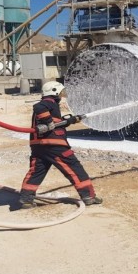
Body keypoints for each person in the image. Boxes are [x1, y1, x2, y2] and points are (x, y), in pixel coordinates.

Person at [18, 81, 102, 209]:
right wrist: (48, 121)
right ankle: (88, 196)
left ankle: (26, 199)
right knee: (74, 168)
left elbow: (55, 122)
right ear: (54, 91)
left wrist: (70, 120)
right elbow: (39, 107)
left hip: (38, 146)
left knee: (37, 171)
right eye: (61, 92)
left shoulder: (51, 106)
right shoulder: (49, 102)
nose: (63, 94)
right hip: (54, 145)